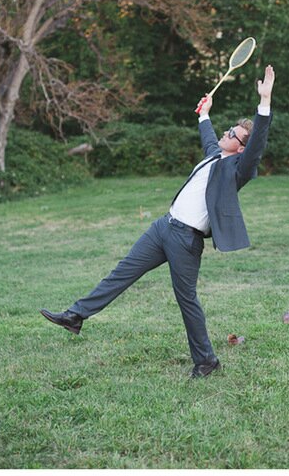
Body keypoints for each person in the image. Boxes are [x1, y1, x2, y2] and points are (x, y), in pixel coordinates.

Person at [41, 65, 276, 378]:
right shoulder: (213, 155)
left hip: (186, 240)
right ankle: (75, 316)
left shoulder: (238, 170)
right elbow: (208, 136)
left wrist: (264, 101)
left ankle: (206, 360)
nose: (226, 133)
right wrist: (204, 114)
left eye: (233, 134)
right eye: (229, 130)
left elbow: (257, 144)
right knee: (122, 272)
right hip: (163, 227)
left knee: (186, 300)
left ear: (241, 148)